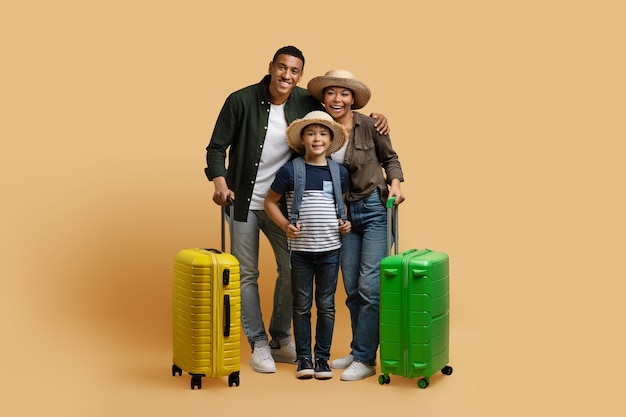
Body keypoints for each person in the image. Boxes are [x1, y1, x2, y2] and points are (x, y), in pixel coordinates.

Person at [204, 47, 390, 374]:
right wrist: (220, 182)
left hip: (285, 205)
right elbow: (217, 148)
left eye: (293, 71)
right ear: (271, 67)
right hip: (244, 200)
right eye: (282, 68)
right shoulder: (240, 100)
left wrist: (375, 119)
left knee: (292, 269)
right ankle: (259, 343)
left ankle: (280, 336)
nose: (286, 76)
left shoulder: (306, 102)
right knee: (247, 274)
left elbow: (339, 115)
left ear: (300, 75)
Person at [307, 69, 405, 381]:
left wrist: (397, 185)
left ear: (353, 99)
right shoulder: (319, 127)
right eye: (331, 93)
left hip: (375, 208)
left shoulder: (372, 123)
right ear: (323, 98)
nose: (337, 99)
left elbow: (391, 160)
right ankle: (357, 348)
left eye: (344, 93)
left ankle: (365, 359)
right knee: (351, 289)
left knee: (370, 287)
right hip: (343, 217)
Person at [265, 111, 351, 380]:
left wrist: (344, 222)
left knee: (326, 305)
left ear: (331, 139)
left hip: (330, 250)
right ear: (302, 138)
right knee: (301, 306)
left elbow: (342, 204)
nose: (317, 138)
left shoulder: (339, 172)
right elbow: (270, 202)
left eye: (323, 133)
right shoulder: (290, 171)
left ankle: (322, 358)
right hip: (301, 251)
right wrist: (284, 226)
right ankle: (304, 358)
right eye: (311, 133)